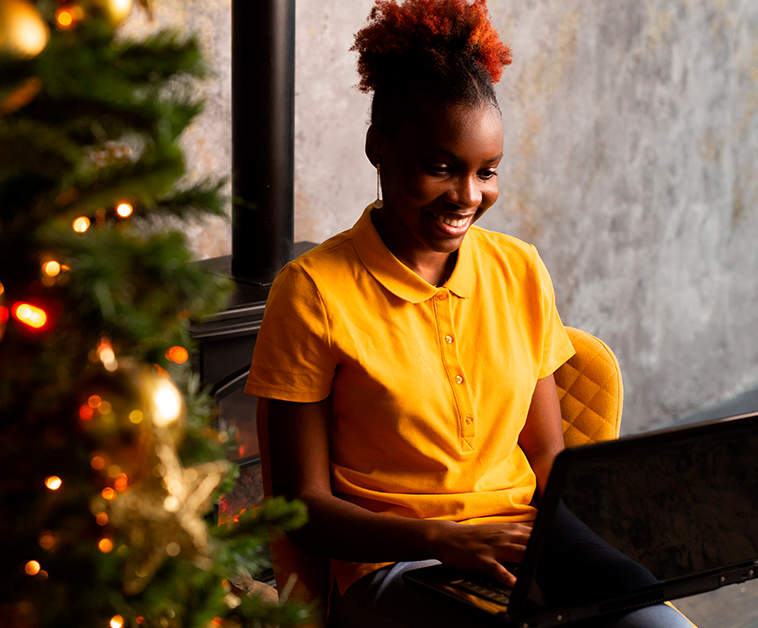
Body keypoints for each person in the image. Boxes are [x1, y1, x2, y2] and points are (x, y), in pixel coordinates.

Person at [244, 1, 693, 626]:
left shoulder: (519, 268)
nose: (467, 196)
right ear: (380, 147)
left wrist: (615, 538)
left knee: (657, 621)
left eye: (488, 172)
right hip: (394, 567)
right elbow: (301, 507)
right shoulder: (313, 291)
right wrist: (441, 540)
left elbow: (548, 460)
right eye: (441, 168)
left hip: (520, 541)